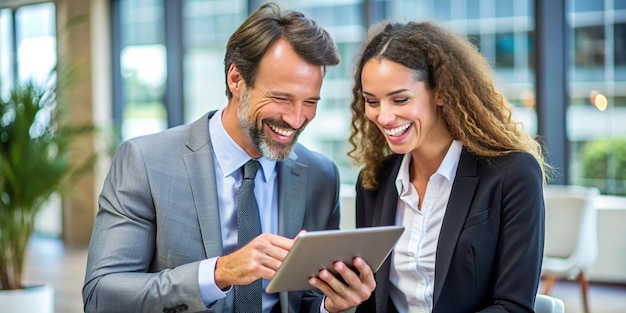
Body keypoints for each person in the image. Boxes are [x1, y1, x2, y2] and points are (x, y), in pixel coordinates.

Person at [83, 3, 375, 313]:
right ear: (236, 79)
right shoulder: (145, 162)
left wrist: (332, 306)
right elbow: (102, 296)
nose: (296, 118)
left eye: (310, 102)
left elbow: (308, 300)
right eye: (280, 98)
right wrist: (220, 272)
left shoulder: (321, 175)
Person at [347, 21, 550, 313]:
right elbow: (371, 304)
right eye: (372, 101)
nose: (384, 116)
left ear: (441, 92)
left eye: (400, 99)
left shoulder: (512, 174)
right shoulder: (373, 182)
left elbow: (513, 307)